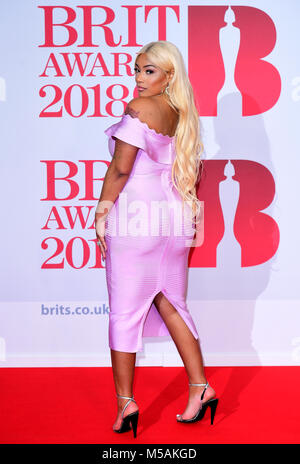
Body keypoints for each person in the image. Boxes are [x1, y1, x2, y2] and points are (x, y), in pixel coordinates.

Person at [95, 41, 218, 438]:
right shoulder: (181, 111)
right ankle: (201, 388)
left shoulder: (139, 108)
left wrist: (101, 211)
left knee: (124, 312)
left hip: (137, 217)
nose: (138, 78)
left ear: (169, 74)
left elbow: (120, 169)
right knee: (171, 303)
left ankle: (126, 404)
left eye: (149, 70)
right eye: (137, 69)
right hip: (175, 216)